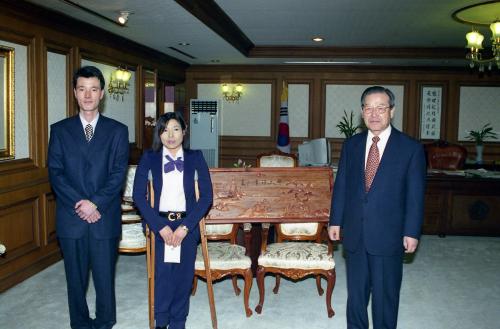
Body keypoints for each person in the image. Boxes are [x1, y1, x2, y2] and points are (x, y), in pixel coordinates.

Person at [328, 86, 426, 329]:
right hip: (355, 233)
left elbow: (415, 195)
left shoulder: (411, 148)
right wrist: (335, 220)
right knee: (356, 297)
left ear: (391, 111)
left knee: (385, 297)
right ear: (362, 112)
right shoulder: (351, 145)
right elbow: (342, 186)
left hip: (389, 235)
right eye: (368, 108)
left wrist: (412, 231)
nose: (374, 114)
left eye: (381, 108)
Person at [48, 66, 129, 329]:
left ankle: (105, 322)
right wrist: (81, 204)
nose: (87, 95)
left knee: (105, 279)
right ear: (74, 93)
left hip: (104, 217)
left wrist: (95, 203)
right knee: (75, 280)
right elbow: (56, 173)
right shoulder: (60, 130)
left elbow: (118, 175)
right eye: (82, 89)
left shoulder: (118, 131)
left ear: (102, 93)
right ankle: (80, 324)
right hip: (71, 219)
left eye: (93, 89)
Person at [132, 112, 213, 329]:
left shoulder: (196, 157)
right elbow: (138, 195)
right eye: (165, 129)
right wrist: (160, 228)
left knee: (183, 277)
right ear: (159, 133)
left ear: (184, 132)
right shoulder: (149, 157)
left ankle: (178, 322)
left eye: (176, 129)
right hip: (159, 223)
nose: (170, 134)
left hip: (187, 224)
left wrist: (185, 228)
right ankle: (161, 321)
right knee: (163, 276)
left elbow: (206, 197)